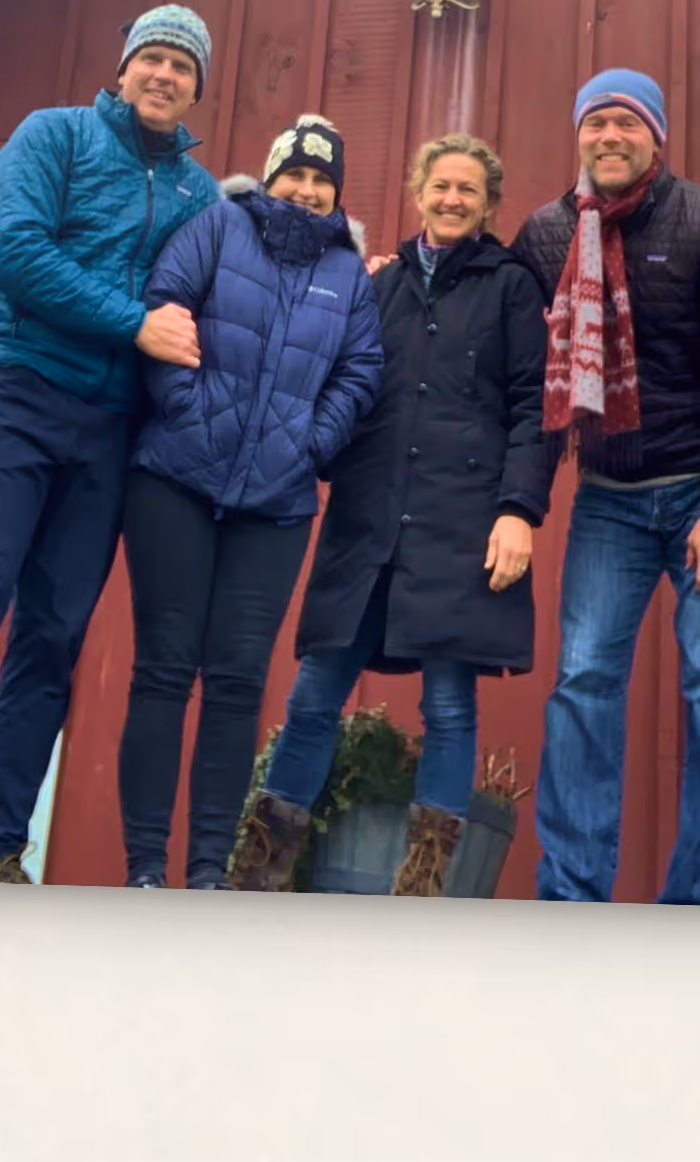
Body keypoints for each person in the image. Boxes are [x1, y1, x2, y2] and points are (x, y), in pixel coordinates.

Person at [0, 6, 225, 883]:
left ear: (196, 89)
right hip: (14, 390)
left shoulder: (200, 194)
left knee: (53, 635)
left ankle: (1, 849)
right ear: (122, 67)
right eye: (152, 56)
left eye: (182, 66)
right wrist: (134, 325)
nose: (164, 74)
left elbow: (236, 291)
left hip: (109, 430)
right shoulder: (54, 136)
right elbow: (15, 253)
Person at [233, 132, 554, 895]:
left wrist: (519, 511)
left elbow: (532, 408)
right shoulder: (375, 284)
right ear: (418, 192)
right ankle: (261, 873)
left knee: (448, 701)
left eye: (468, 191)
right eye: (440, 186)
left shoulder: (511, 287)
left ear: (488, 204)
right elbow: (336, 379)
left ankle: (423, 886)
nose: (452, 200)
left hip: (462, 523)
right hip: (368, 519)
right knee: (315, 692)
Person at [511, 68, 700, 906]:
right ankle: (573, 896)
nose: (610, 136)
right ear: (579, 135)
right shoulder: (546, 234)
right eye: (597, 123)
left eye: (627, 122)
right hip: (610, 502)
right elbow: (515, 357)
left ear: (657, 136)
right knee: (583, 683)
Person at [114, 115, 383, 889]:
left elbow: (361, 373)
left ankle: (207, 873)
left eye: (321, 180)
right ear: (271, 177)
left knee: (236, 683)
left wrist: (309, 443)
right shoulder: (216, 226)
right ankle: (145, 868)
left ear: (336, 193)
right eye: (294, 174)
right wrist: (188, 414)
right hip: (174, 480)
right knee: (164, 670)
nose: (305, 190)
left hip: (277, 504)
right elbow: (166, 309)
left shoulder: (348, 275)